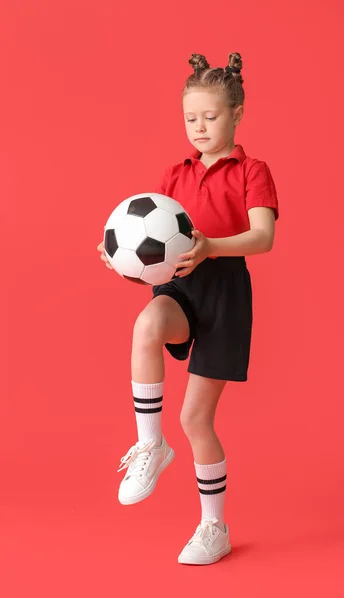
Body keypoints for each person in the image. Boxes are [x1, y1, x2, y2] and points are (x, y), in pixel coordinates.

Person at [97, 52, 279, 565]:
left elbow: (262, 237)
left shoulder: (253, 170)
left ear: (237, 112)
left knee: (195, 419)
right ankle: (149, 447)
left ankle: (212, 527)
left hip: (225, 293)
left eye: (211, 117)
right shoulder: (173, 175)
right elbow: (149, 242)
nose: (199, 128)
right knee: (147, 323)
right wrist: (119, 255)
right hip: (181, 287)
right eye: (190, 118)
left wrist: (209, 248)